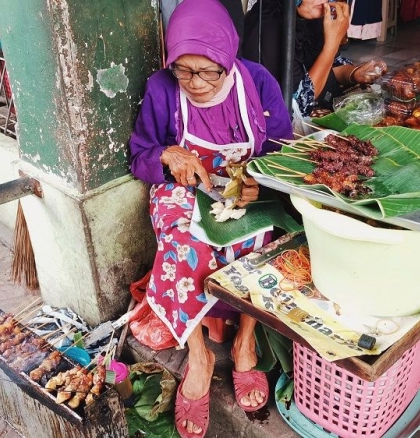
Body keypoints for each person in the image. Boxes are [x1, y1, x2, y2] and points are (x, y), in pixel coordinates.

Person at [128, 0, 294, 436]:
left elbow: (282, 149)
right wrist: (167, 153)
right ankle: (198, 353)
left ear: (227, 58)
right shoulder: (163, 88)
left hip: (245, 188)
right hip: (181, 190)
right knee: (187, 244)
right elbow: (139, 153)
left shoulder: (257, 81)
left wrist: (263, 181)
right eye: (184, 70)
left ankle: (244, 344)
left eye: (208, 71)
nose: (196, 83)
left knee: (260, 241)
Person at [243, 0, 388, 117]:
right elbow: (297, 105)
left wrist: (354, 74)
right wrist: (332, 43)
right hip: (277, 126)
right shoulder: (268, 28)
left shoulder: (311, 14)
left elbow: (328, 69)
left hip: (315, 111)